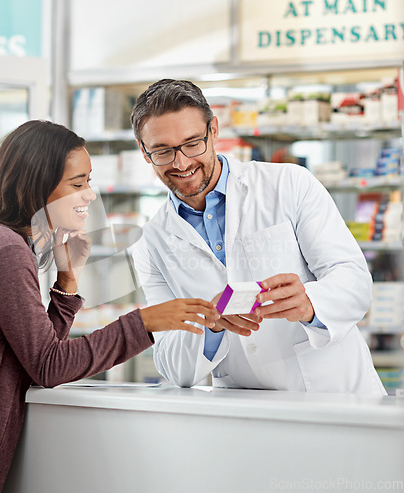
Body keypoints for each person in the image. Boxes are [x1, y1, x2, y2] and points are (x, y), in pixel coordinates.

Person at [0, 120, 219, 492]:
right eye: (77, 183)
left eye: (89, 181)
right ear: (38, 185)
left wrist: (67, 282)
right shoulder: (3, 247)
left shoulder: (3, 243)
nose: (89, 195)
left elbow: (34, 362)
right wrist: (144, 324)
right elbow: (50, 365)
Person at [130, 79, 386, 396]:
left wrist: (310, 302)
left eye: (192, 143)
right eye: (163, 151)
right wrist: (211, 325)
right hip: (247, 409)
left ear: (213, 131)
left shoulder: (289, 183)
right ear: (144, 151)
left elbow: (355, 280)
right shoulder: (151, 242)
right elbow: (172, 365)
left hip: (335, 394)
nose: (181, 163)